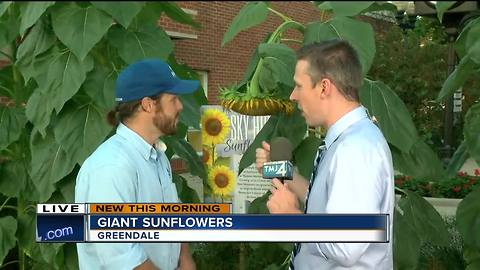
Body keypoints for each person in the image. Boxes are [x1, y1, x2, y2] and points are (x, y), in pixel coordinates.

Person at [256, 40, 394, 269]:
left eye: (299, 86)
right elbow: (328, 204)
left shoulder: (354, 149)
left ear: (324, 87)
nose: (292, 96)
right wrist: (285, 172)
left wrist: (292, 217)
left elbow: (345, 245)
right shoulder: (347, 140)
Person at [75, 59, 198, 270]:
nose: (180, 106)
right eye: (174, 99)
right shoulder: (111, 167)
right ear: (148, 104)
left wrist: (185, 258)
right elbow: (121, 258)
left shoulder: (158, 157)